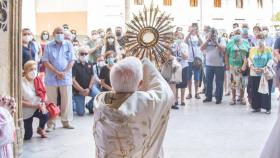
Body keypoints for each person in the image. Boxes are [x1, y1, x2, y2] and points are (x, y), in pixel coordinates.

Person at [93, 57, 173, 157]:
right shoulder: (146, 104)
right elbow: (165, 93)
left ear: (111, 83)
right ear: (140, 84)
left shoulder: (99, 102)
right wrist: (145, 62)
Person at [42, 26, 75, 130]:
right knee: (52, 102)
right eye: (57, 32)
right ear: (53, 34)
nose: (60, 34)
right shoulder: (48, 45)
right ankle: (51, 124)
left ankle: (66, 122)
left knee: (67, 100)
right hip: (51, 77)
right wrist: (56, 72)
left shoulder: (68, 44)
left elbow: (72, 60)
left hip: (66, 77)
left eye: (61, 32)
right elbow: (45, 61)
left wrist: (64, 72)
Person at [22, 60, 48, 139]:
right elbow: (19, 101)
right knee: (28, 136)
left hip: (38, 107)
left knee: (45, 114)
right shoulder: (21, 82)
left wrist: (43, 103)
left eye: (35, 69)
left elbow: (44, 94)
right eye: (31, 69)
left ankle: (41, 128)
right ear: (25, 70)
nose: (33, 71)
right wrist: (34, 105)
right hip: (26, 110)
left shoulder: (38, 80)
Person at [248, 33, 273, 114]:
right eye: (258, 38)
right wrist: (252, 67)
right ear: (255, 39)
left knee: (265, 91)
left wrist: (265, 67)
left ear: (264, 39)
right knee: (255, 91)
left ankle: (267, 108)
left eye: (261, 38)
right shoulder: (252, 49)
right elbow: (249, 59)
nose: (259, 40)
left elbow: (271, 60)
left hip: (265, 73)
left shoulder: (268, 49)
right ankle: (256, 107)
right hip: (254, 73)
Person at [201, 28, 226, 104]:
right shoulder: (206, 40)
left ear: (217, 34)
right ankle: (208, 97)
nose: (212, 35)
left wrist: (216, 43)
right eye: (211, 34)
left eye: (214, 34)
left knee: (219, 82)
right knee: (208, 82)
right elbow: (201, 48)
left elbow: (223, 49)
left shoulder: (220, 39)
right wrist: (208, 40)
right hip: (209, 65)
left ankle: (218, 98)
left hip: (220, 65)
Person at [225, 28, 250, 105]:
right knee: (233, 82)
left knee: (242, 82)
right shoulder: (230, 43)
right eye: (236, 33)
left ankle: (242, 97)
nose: (237, 34)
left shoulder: (245, 42)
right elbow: (226, 54)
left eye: (238, 33)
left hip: (243, 66)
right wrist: (227, 65)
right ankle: (233, 98)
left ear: (241, 34)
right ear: (233, 34)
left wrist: (246, 64)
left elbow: (248, 54)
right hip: (233, 66)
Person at [72, 47, 95, 115]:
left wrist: (89, 88)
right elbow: (73, 80)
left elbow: (92, 77)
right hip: (78, 91)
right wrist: (81, 90)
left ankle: (89, 105)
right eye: (82, 53)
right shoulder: (74, 64)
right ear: (78, 54)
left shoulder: (90, 63)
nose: (84, 55)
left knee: (98, 95)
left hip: (89, 88)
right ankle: (74, 104)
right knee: (81, 113)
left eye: (86, 53)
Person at [185, 24, 203, 99]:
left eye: (195, 28)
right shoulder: (189, 37)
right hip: (189, 60)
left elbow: (202, 43)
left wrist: (198, 34)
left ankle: (196, 93)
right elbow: (185, 40)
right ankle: (189, 93)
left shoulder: (199, 36)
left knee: (197, 77)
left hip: (197, 59)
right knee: (189, 78)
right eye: (192, 28)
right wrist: (190, 32)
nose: (194, 30)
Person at [171, 32, 188, 107]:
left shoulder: (185, 45)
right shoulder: (172, 45)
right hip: (175, 66)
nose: (179, 39)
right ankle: (175, 100)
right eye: (177, 38)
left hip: (184, 66)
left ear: (183, 39)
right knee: (176, 84)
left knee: (183, 84)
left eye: (180, 38)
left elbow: (186, 57)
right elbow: (170, 55)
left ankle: (182, 100)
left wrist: (180, 49)